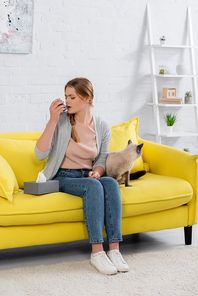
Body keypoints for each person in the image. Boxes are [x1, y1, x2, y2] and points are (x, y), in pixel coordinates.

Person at [35, 77, 129, 275]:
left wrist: (98, 172)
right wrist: (52, 120)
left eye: (72, 97)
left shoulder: (102, 125)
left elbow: (101, 160)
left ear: (87, 98)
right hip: (63, 176)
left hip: (87, 176)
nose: (67, 101)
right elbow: (40, 154)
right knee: (94, 187)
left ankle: (114, 250)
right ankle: (97, 253)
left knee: (110, 183)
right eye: (66, 96)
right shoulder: (60, 121)